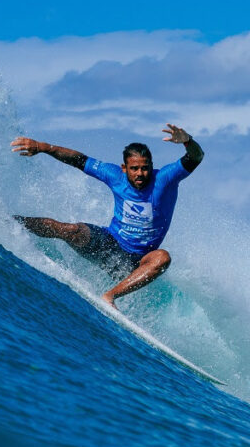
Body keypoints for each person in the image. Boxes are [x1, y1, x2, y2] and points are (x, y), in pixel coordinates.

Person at [11, 124, 203, 309]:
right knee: (72, 229)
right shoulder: (114, 175)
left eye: (145, 168)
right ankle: (12, 222)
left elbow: (196, 156)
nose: (140, 174)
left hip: (136, 263)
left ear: (152, 166)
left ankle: (110, 296)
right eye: (134, 168)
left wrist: (187, 141)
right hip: (109, 245)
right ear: (124, 168)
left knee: (162, 258)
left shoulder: (165, 178)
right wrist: (43, 147)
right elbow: (79, 160)